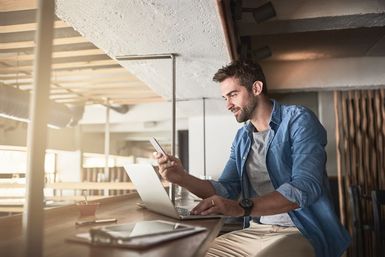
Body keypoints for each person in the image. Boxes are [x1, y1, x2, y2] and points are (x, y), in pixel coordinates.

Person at [154, 60, 351, 257]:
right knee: (192, 253)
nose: (228, 105)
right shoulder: (242, 138)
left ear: (256, 88)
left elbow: (306, 186)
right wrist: (181, 177)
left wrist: (241, 208)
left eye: (233, 95)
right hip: (256, 230)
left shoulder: (298, 119)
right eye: (225, 98)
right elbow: (226, 189)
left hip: (301, 231)